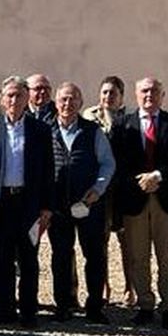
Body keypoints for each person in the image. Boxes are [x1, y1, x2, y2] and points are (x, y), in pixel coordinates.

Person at [111, 76, 168, 329]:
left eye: (154, 91)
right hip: (134, 200)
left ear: (162, 95)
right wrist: (139, 181)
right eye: (144, 91)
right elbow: (116, 160)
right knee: (138, 256)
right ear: (135, 95)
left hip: (165, 199)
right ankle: (145, 304)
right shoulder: (123, 124)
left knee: (167, 256)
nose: (149, 95)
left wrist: (158, 176)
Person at [0, 76, 55, 327]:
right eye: (9, 95)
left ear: (27, 98)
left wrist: (46, 207)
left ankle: (29, 312)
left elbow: (48, 170)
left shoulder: (40, 130)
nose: (14, 100)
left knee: (29, 260)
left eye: (19, 95)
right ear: (1, 99)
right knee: (3, 260)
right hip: (1, 204)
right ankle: (4, 309)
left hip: (28, 204)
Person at [48, 83, 116, 323]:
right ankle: (63, 305)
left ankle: (95, 306)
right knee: (61, 256)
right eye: (64, 99)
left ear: (81, 102)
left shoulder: (92, 131)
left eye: (73, 99)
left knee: (95, 255)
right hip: (57, 205)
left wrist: (98, 189)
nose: (68, 104)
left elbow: (108, 163)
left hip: (89, 203)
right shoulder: (46, 130)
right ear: (56, 102)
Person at [82, 75, 130, 306]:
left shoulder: (129, 120)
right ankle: (103, 286)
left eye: (113, 93)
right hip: (99, 189)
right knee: (99, 241)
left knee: (127, 240)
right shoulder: (89, 119)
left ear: (121, 97)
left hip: (123, 189)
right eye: (104, 93)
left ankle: (130, 286)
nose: (107, 97)